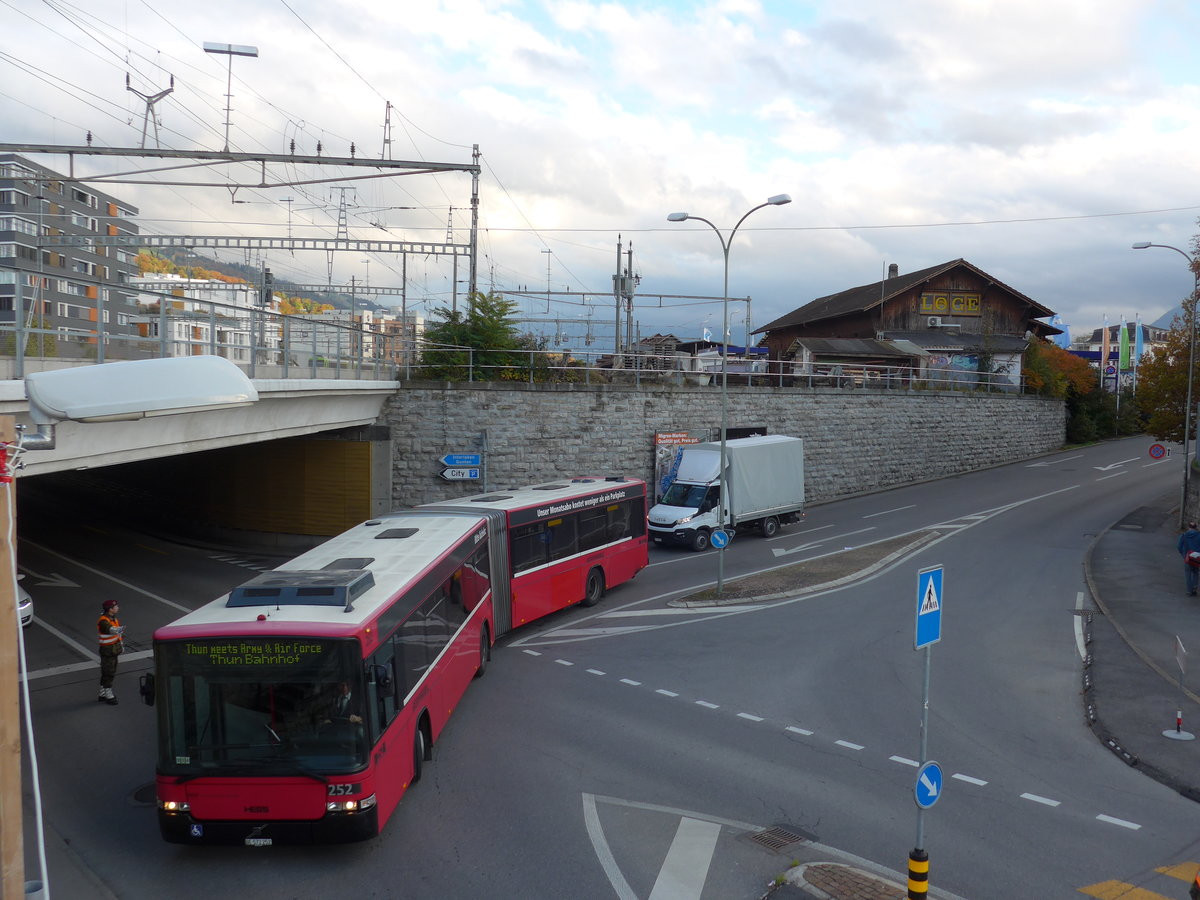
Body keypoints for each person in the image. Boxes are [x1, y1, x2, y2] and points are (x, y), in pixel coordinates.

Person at [97, 599, 125, 705]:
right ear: (110, 609)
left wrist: (121, 646)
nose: (118, 608)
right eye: (116, 606)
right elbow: (111, 630)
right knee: (109, 672)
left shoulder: (112, 618)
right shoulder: (104, 621)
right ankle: (108, 695)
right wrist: (120, 629)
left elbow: (117, 635)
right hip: (107, 651)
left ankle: (102, 693)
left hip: (113, 650)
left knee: (107, 672)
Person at [1179, 522, 1200, 596]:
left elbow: (1179, 546)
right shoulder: (1199, 535)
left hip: (1187, 557)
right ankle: (1195, 588)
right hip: (1197, 557)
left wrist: (1184, 555)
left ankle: (1189, 590)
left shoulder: (1184, 535)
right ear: (1195, 527)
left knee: (1188, 573)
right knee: (1195, 572)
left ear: (1189, 527)